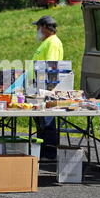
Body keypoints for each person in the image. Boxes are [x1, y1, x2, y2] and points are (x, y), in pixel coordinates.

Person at [31, 16, 63, 160]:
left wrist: (48, 91)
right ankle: (42, 153)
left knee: (47, 123)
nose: (37, 30)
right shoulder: (47, 42)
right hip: (39, 87)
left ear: (44, 27)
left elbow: (51, 66)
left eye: (38, 27)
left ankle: (49, 155)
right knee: (41, 124)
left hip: (45, 89)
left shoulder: (53, 42)